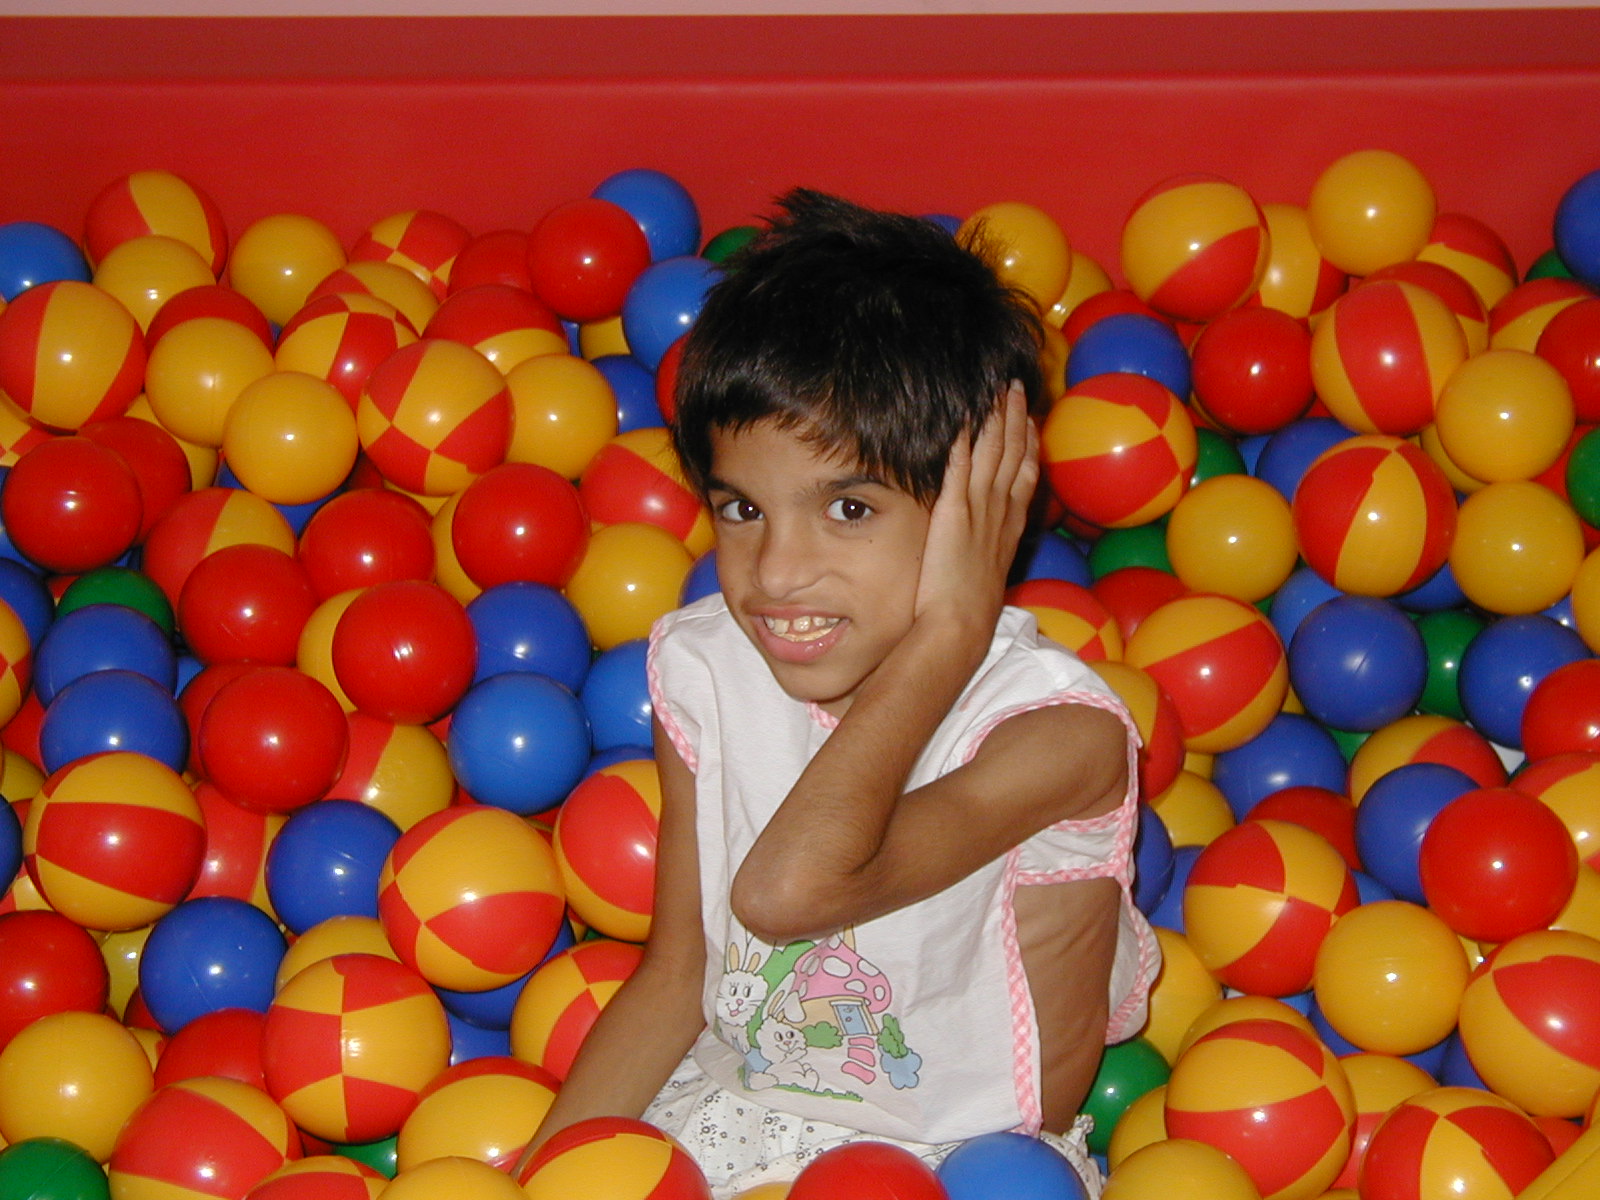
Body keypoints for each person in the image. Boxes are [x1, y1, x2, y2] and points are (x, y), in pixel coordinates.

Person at [518, 189, 1159, 1197]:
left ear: (980, 509)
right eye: (741, 507)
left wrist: (951, 631)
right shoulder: (707, 668)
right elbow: (683, 969)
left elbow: (787, 894)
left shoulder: (1054, 736)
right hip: (735, 1118)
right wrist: (538, 1177)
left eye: (848, 508)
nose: (775, 573)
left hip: (962, 1163)